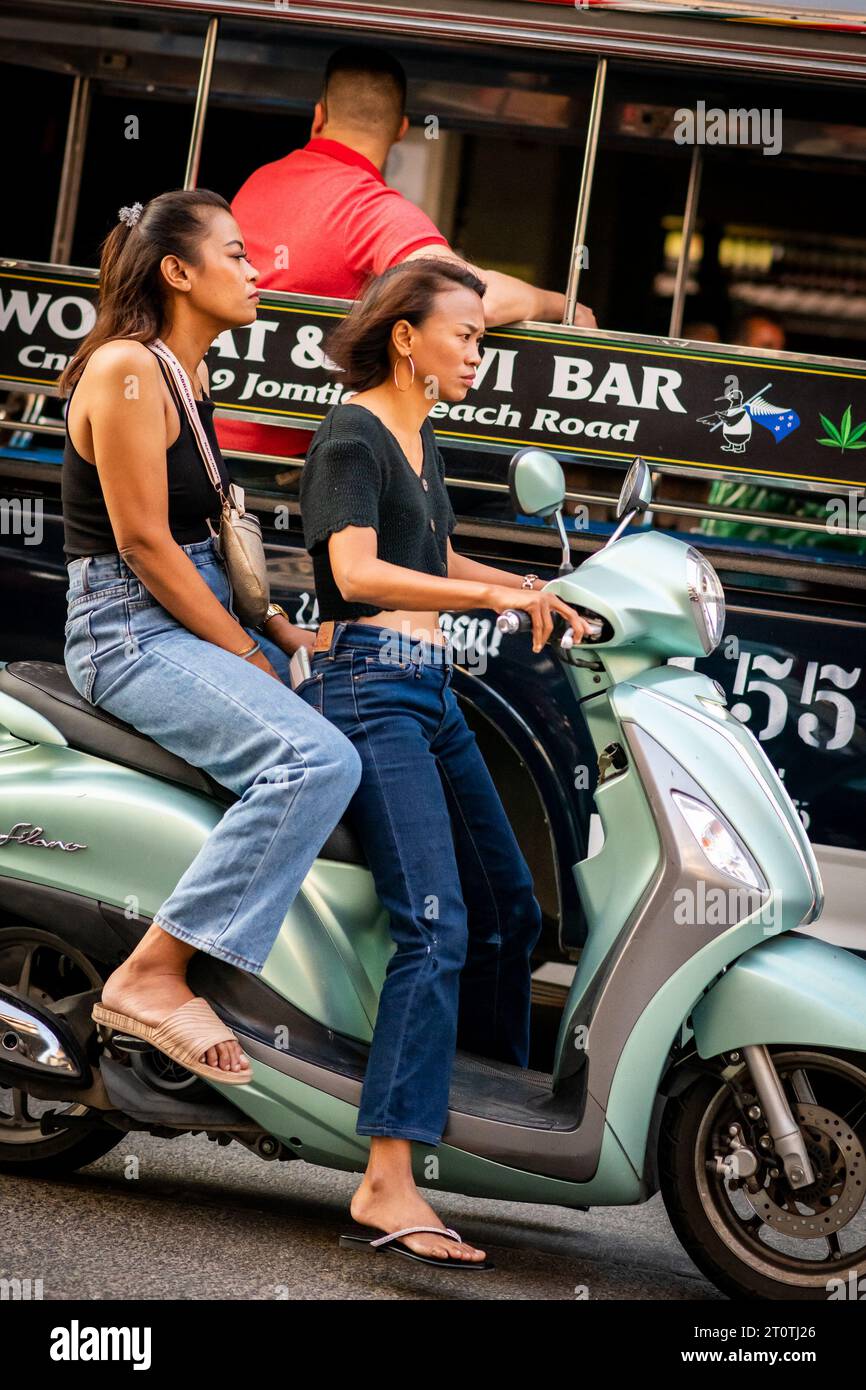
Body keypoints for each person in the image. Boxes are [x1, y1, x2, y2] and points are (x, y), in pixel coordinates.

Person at [296, 257, 593, 1266]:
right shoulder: (353, 432)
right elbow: (354, 570)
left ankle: (469, 1128)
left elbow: (434, 559)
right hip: (370, 687)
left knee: (512, 909)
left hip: (426, 687)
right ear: (404, 336)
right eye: (464, 333)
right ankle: (385, 1177)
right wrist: (492, 602)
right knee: (434, 921)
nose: (478, 349)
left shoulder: (419, 437)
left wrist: (532, 586)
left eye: (480, 334)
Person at [59, 189, 361, 1083]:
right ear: (178, 272)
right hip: (125, 631)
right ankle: (153, 973)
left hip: (188, 616)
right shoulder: (125, 369)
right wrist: (245, 654)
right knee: (316, 762)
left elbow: (209, 533)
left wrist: (278, 629)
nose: (257, 270)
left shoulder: (186, 377)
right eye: (236, 255)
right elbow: (146, 545)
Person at [217, 44, 595, 464]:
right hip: (297, 463)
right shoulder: (371, 209)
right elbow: (466, 299)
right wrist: (561, 306)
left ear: (318, 116)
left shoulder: (257, 184)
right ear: (401, 129)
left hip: (220, 443)